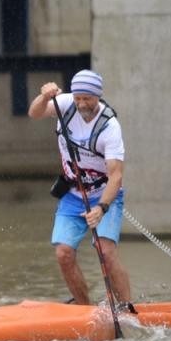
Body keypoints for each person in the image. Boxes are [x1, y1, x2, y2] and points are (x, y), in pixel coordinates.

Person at [27, 69, 133, 310]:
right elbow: (34, 113)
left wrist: (101, 207)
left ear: (98, 96)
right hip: (73, 195)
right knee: (63, 254)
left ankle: (127, 308)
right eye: (78, 98)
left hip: (105, 194)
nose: (82, 103)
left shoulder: (110, 127)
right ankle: (85, 309)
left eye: (88, 98)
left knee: (104, 251)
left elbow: (116, 176)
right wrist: (43, 97)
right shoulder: (64, 104)